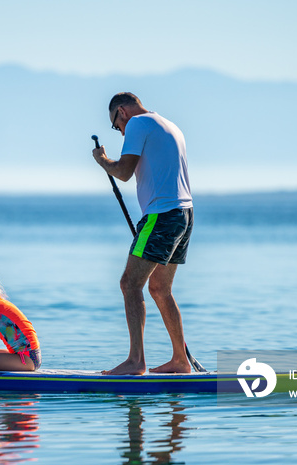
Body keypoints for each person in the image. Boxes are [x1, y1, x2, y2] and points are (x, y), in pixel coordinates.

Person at [92, 92, 194, 375]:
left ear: (121, 112)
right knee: (160, 289)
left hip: (161, 215)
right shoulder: (169, 124)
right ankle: (180, 361)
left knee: (129, 284)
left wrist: (103, 160)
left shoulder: (137, 124)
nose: (120, 131)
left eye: (116, 125)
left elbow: (124, 172)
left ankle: (136, 362)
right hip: (184, 214)